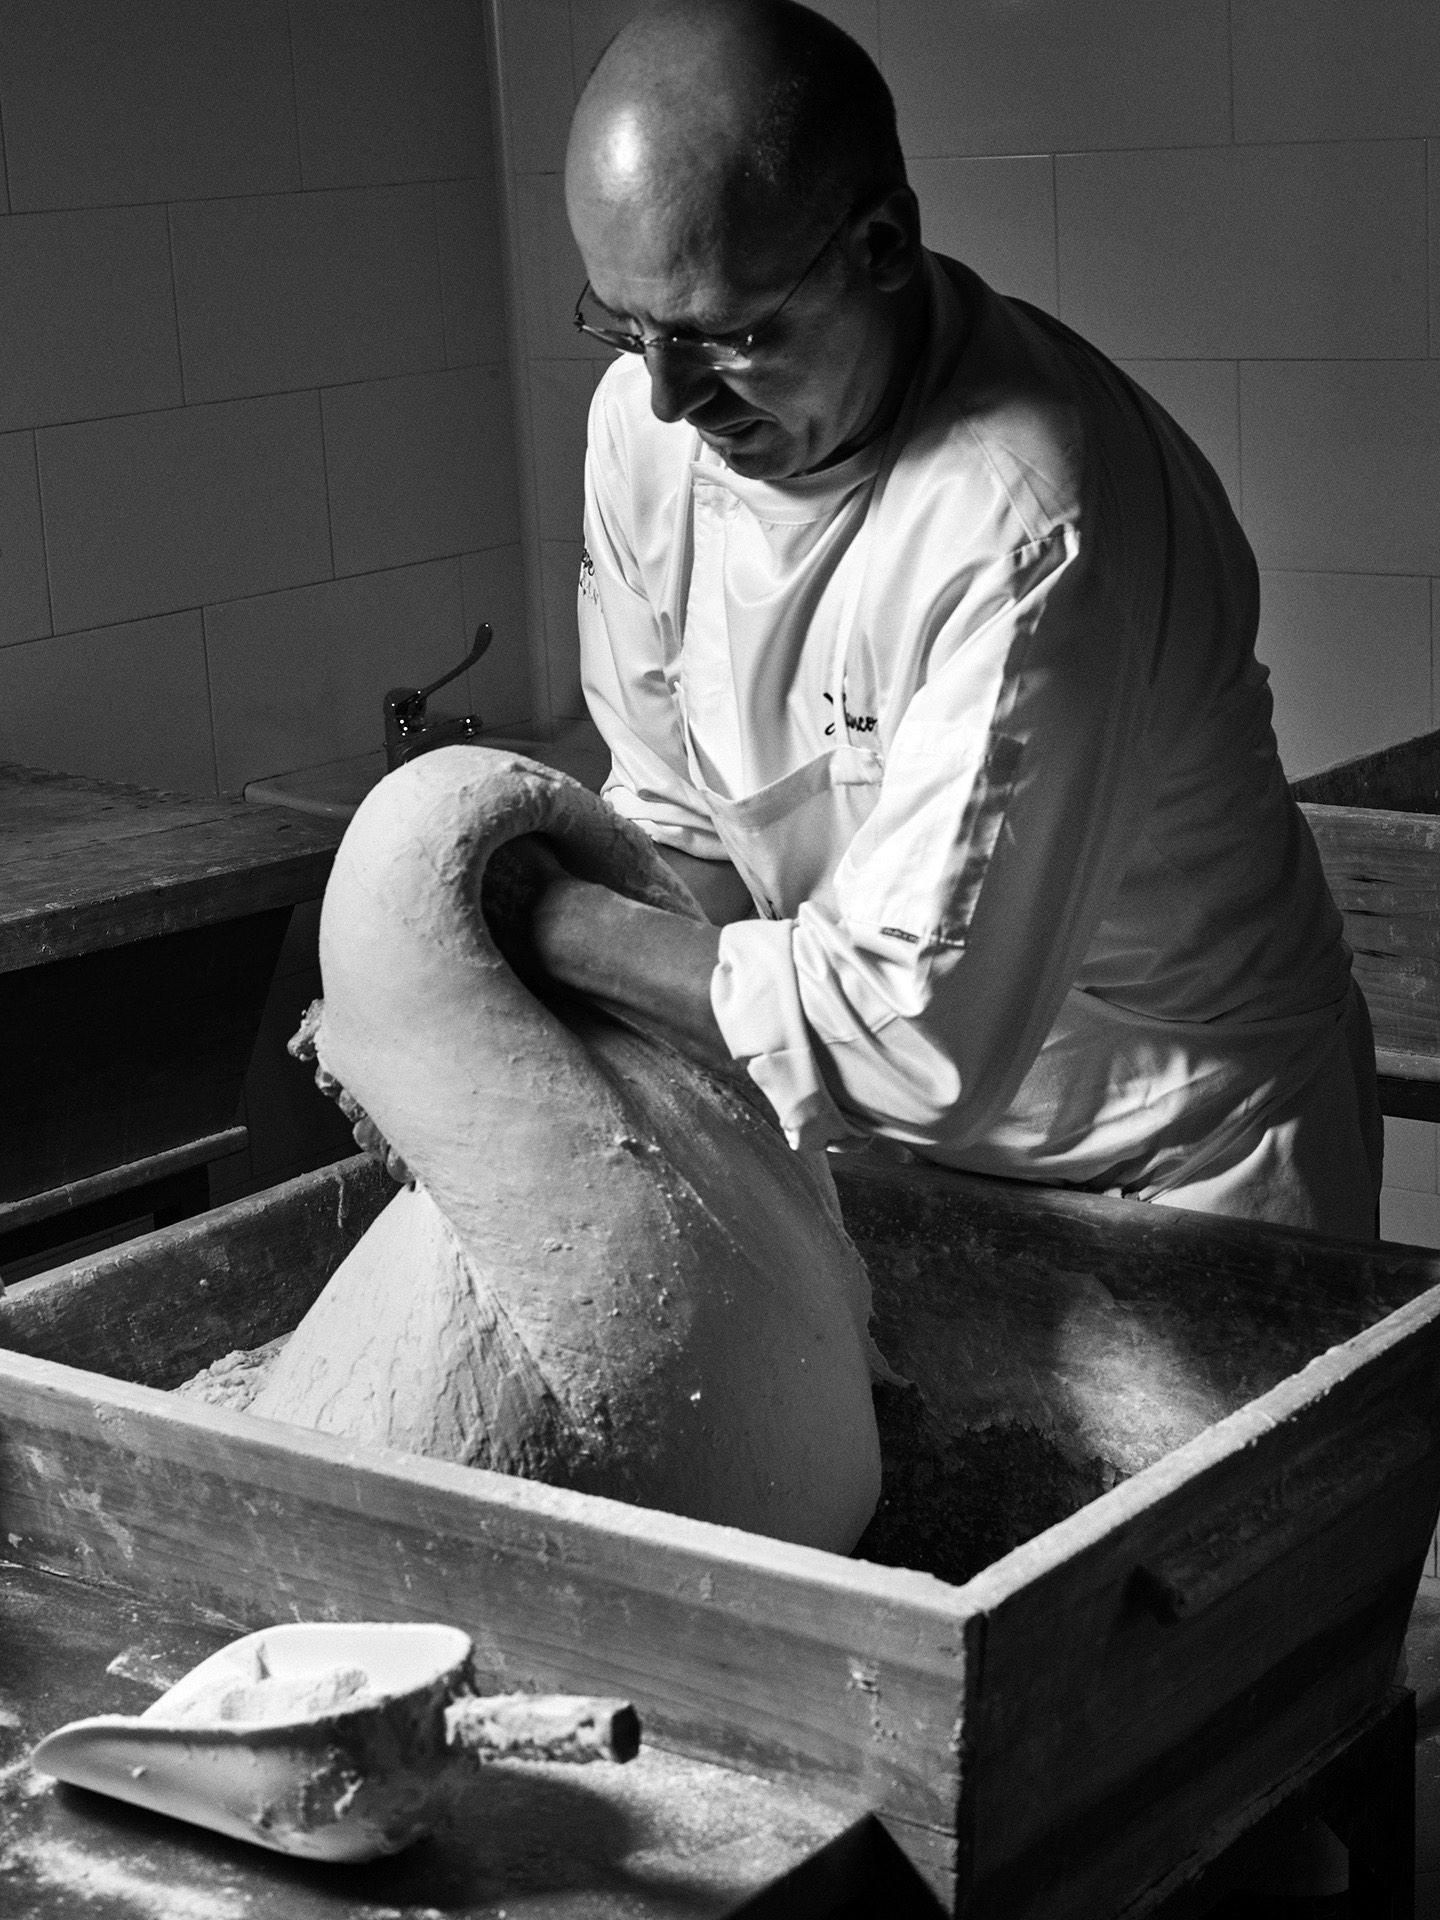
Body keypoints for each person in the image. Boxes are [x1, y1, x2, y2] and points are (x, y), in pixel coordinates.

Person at [517, 0, 1381, 1242]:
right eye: (627, 325)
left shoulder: (1033, 525)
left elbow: (909, 1039)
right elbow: (678, 834)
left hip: (1182, 1170)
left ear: (882, 243)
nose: (667, 395)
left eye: (727, 335)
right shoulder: (643, 435)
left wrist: (547, 921)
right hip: (894, 1165)